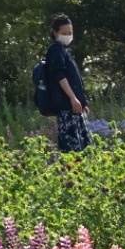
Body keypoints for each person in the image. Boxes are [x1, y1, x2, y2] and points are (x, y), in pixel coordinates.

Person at [45, 14, 92, 153]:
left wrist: (83, 103)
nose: (68, 36)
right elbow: (59, 75)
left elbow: (74, 80)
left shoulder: (65, 51)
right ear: (55, 32)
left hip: (76, 108)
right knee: (73, 152)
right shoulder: (55, 50)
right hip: (67, 108)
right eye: (64, 33)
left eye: (70, 33)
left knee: (86, 149)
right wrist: (73, 98)